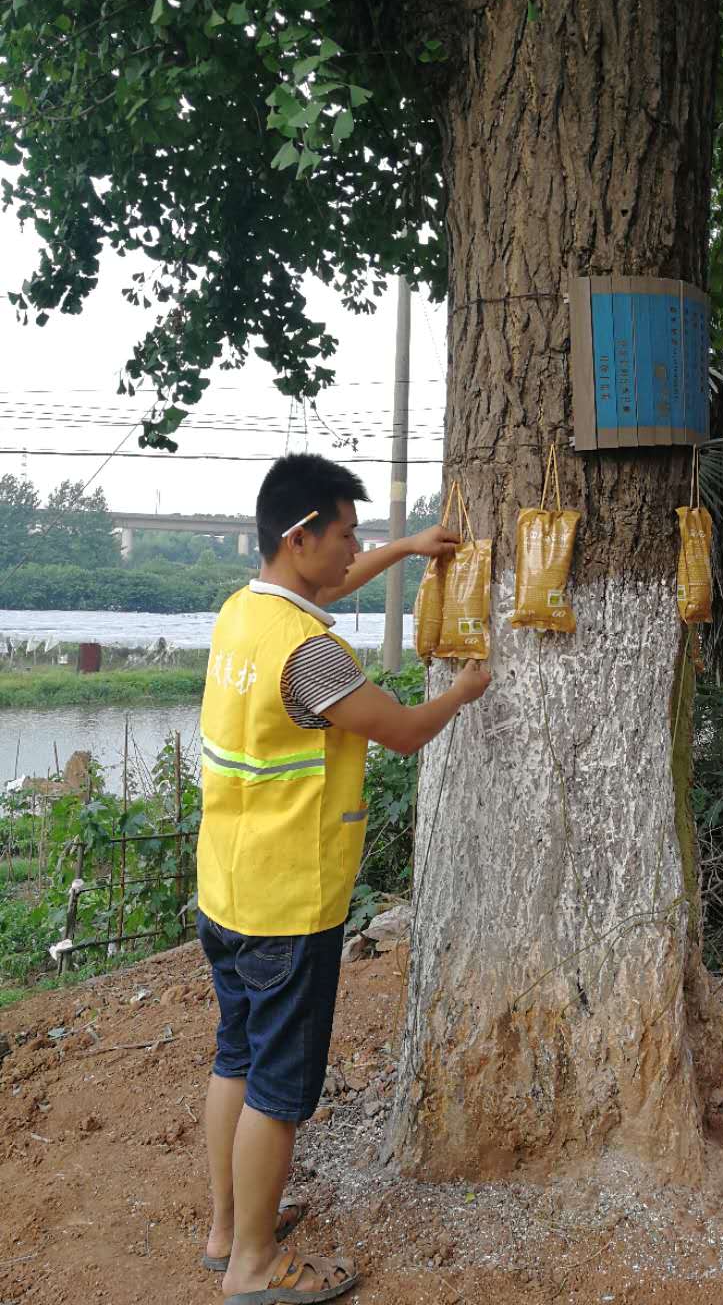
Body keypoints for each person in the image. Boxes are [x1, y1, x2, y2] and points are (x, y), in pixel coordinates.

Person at [195, 453, 491, 1303]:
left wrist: (404, 549)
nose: (352, 550)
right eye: (345, 535)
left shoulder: (243, 614)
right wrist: (464, 692)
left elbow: (330, 584)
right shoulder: (311, 658)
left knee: (236, 1061)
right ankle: (254, 1269)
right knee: (280, 1091)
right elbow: (400, 731)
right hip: (289, 903)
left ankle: (226, 1232)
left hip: (226, 889)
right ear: (300, 540)